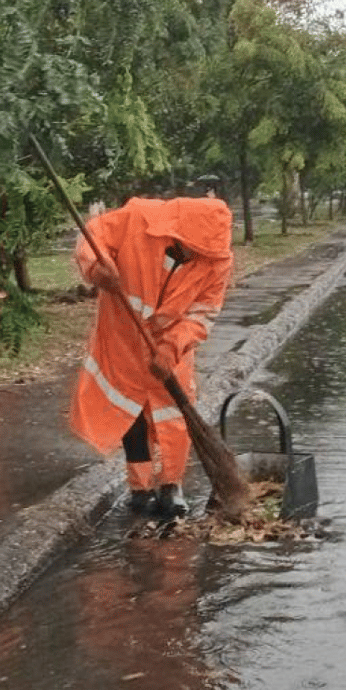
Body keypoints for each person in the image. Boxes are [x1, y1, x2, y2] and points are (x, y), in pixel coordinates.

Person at [69, 189, 233, 517]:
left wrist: (171, 348)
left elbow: (203, 312)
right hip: (123, 338)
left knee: (173, 415)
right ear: (180, 234)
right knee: (130, 412)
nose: (197, 259)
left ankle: (171, 486)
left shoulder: (217, 261)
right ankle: (140, 488)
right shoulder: (138, 219)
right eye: (194, 250)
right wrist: (97, 269)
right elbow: (93, 235)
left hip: (169, 348)